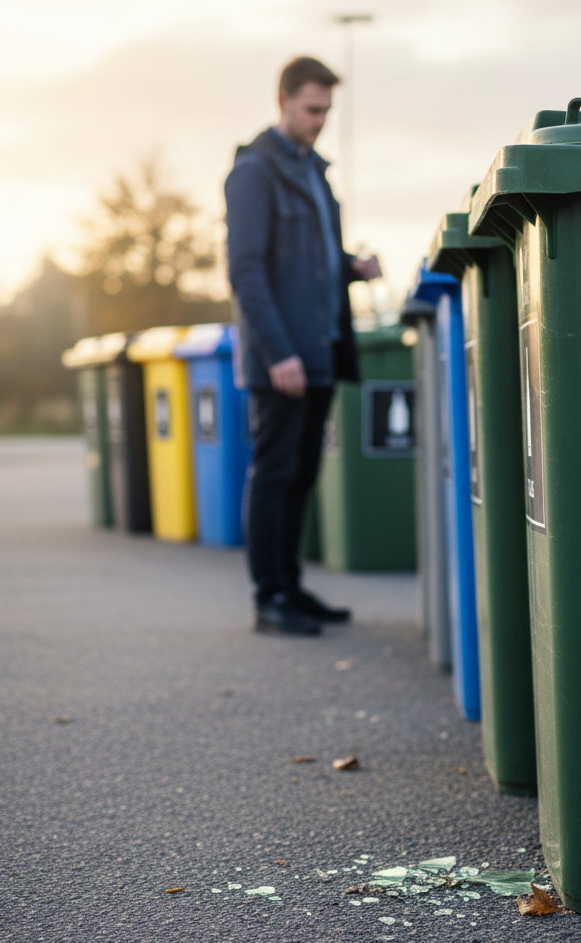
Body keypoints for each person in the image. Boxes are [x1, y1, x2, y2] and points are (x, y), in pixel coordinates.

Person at [225, 56, 381, 635]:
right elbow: (246, 271)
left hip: (319, 353)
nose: (320, 121)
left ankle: (290, 586)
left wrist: (353, 268)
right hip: (283, 360)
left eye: (326, 112)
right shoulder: (254, 173)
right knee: (274, 474)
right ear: (284, 101)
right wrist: (278, 353)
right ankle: (269, 598)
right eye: (312, 110)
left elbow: (314, 262)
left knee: (301, 476)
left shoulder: (315, 172)